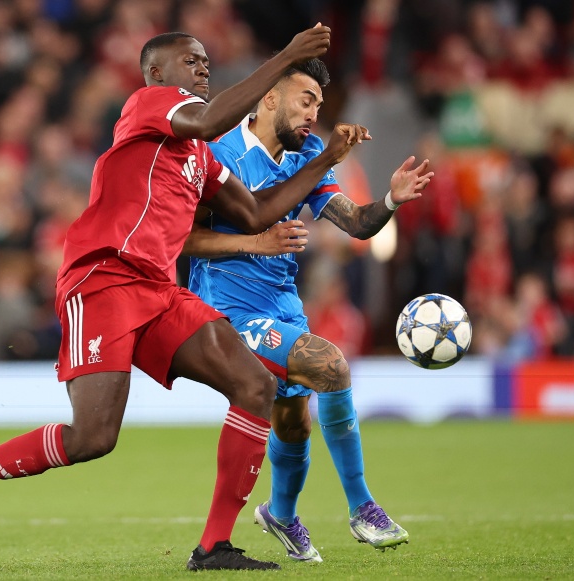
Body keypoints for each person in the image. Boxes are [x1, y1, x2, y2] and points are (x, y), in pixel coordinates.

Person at [0, 26, 372, 572]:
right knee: (92, 438)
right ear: (156, 72)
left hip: (157, 289)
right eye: (190, 60)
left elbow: (255, 212)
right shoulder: (149, 106)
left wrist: (325, 160)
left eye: (205, 60)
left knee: (255, 385)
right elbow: (208, 118)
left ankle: (214, 547)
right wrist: (288, 57)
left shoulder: (200, 155)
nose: (202, 67)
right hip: (102, 279)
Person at [184, 57, 432, 562]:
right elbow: (185, 239)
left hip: (282, 306)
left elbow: (359, 225)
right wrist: (256, 239)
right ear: (270, 99)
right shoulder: (218, 153)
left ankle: (280, 513)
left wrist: (391, 198)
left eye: (319, 105)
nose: (313, 115)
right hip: (226, 309)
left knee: (294, 423)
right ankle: (363, 508)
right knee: (331, 365)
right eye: (305, 101)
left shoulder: (309, 155)